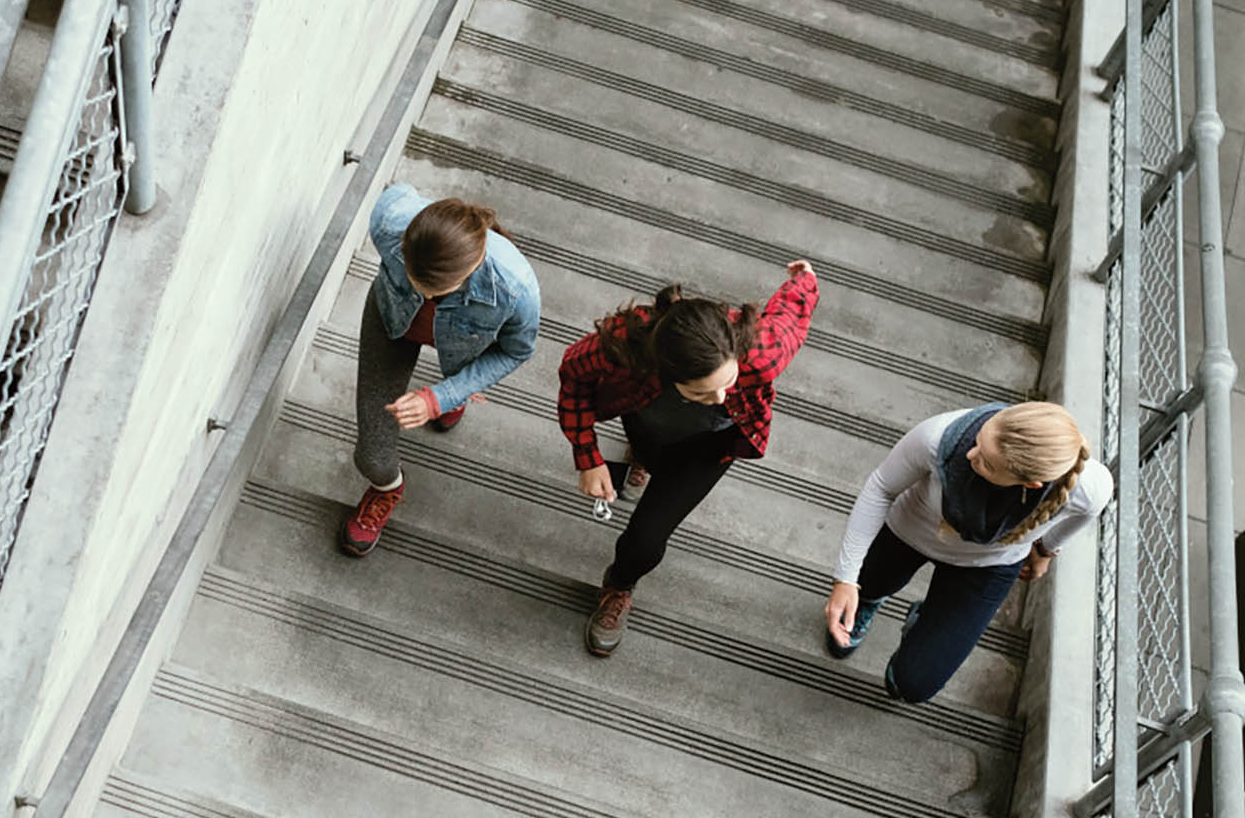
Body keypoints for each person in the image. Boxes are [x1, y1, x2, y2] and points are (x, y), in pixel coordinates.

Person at [558, 261, 819, 656]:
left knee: (645, 540)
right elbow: (573, 375)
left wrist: (804, 280)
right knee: (647, 444)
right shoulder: (624, 346)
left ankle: (620, 584)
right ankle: (642, 460)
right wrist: (587, 456)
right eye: (703, 391)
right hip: (645, 415)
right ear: (664, 370)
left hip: (710, 446)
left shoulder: (760, 354)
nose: (721, 399)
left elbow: (790, 318)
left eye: (729, 383)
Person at [823, 402, 1113, 703]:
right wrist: (846, 579)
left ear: (1030, 484)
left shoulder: (1086, 486)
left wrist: (1045, 549)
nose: (971, 454)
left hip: (988, 564)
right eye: (978, 441)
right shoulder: (938, 439)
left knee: (910, 685)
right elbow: (881, 487)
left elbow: (1087, 511)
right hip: (909, 533)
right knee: (870, 582)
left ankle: (928, 621)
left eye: (986, 463)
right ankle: (871, 597)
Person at [341, 183, 541, 556]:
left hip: (468, 342)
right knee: (372, 456)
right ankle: (388, 488)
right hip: (391, 323)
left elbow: (516, 352)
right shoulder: (389, 223)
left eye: (435, 289)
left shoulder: (516, 290)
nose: (426, 297)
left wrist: (442, 395)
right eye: (414, 281)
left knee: (456, 386)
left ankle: (455, 393)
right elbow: (397, 191)